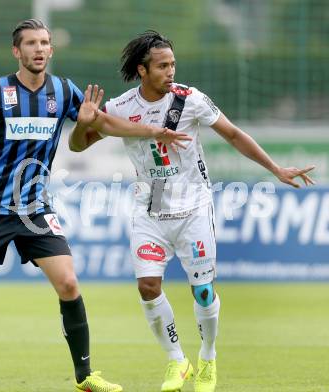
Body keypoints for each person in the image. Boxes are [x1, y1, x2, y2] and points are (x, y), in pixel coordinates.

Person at [0, 21, 189, 392]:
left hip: (35, 208)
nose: (39, 49)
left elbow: (103, 123)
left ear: (51, 50)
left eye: (44, 42)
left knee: (68, 282)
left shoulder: (63, 92)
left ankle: (85, 377)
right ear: (17, 51)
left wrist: (153, 131)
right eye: (31, 43)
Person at [69, 31, 316, 392]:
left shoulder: (190, 100)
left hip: (193, 209)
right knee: (148, 286)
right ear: (142, 70)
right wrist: (82, 121)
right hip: (149, 213)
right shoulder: (120, 108)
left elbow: (232, 134)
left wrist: (275, 168)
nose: (170, 71)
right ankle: (176, 360)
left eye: (173, 64)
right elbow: (78, 146)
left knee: (202, 291)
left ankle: (208, 357)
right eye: (162, 66)